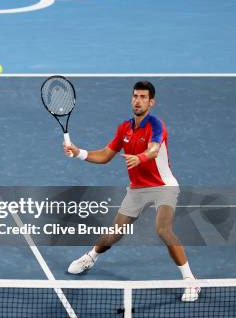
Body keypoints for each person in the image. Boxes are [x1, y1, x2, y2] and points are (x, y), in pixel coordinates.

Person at [64, 81, 199, 302]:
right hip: (137, 189)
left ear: (151, 102)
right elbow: (106, 155)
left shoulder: (156, 124)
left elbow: (154, 149)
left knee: (163, 229)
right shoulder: (124, 128)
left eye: (143, 97)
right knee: (115, 233)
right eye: (135, 96)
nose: (138, 100)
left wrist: (141, 157)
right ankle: (90, 257)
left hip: (163, 186)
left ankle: (190, 282)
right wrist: (79, 152)